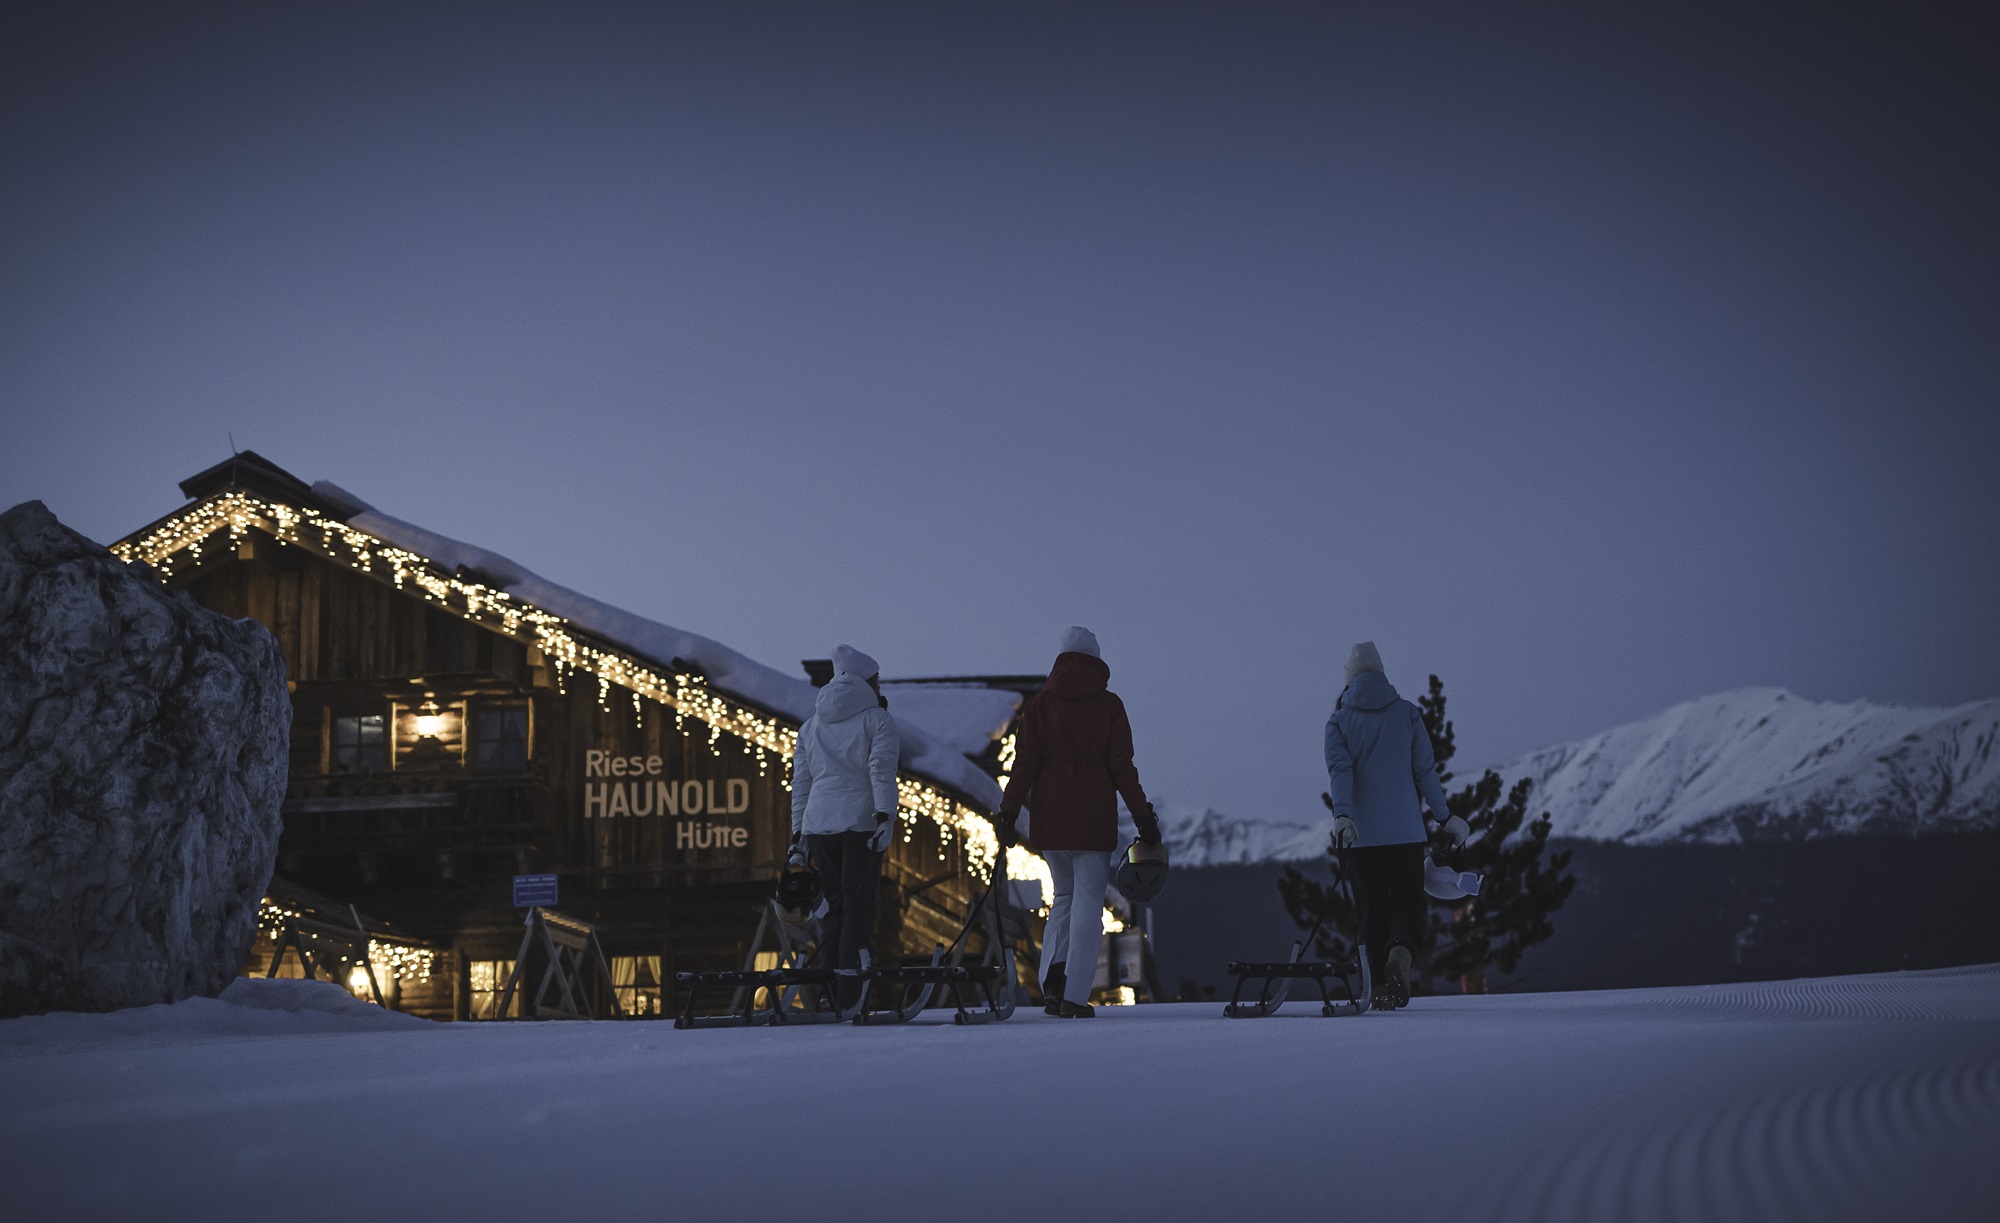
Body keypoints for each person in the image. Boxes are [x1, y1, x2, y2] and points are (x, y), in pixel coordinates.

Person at [995, 627, 1161, 1018]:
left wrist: (1008, 812)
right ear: (1097, 660)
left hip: (1051, 821)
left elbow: (1024, 766)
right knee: (1088, 901)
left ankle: (1052, 982)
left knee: (1063, 899)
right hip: (1092, 819)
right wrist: (1144, 817)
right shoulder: (1109, 706)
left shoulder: (1039, 706)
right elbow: (1122, 767)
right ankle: (1074, 992)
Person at [1324, 641, 1469, 1010]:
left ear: (1349, 676)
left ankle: (1374, 987)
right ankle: (1400, 952)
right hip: (1406, 833)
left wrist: (1343, 815)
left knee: (1371, 907)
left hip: (1361, 836)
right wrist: (1444, 817)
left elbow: (1341, 770)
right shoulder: (1407, 713)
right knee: (1407, 901)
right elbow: (1425, 770)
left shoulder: (1338, 720)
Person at [789, 645, 900, 1005]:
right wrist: (885, 816)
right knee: (859, 907)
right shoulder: (877, 721)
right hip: (860, 825)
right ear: (869, 681)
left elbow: (801, 785)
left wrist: (798, 836)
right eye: (877, 680)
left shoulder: (810, 727)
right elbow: (880, 770)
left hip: (819, 826)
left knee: (836, 907)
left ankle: (827, 987)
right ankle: (850, 992)